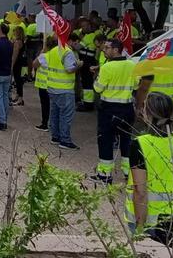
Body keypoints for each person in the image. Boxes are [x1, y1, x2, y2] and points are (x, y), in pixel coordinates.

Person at [126, 91, 173, 243]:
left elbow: (140, 192)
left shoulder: (139, 144)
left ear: (147, 113)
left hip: (149, 221)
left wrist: (140, 228)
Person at [91, 39, 140, 183]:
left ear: (116, 50)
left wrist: (96, 75)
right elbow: (136, 85)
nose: (104, 50)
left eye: (107, 48)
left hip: (109, 109)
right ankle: (128, 173)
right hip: (127, 108)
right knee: (126, 141)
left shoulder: (107, 67)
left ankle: (105, 175)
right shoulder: (133, 65)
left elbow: (98, 88)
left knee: (105, 141)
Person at [46, 32, 83, 150]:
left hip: (52, 87)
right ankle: (65, 140)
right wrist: (78, 65)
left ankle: (55, 137)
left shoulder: (53, 50)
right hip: (64, 88)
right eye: (75, 42)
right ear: (70, 41)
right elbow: (69, 69)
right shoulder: (68, 52)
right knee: (65, 115)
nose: (77, 44)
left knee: (55, 113)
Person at [32, 35, 57, 131]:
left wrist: (41, 52)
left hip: (43, 85)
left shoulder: (44, 56)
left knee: (45, 105)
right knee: (53, 106)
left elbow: (34, 64)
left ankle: (45, 123)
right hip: (53, 83)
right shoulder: (56, 55)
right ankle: (53, 125)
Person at [77, 20, 99, 112]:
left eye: (85, 26)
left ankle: (88, 104)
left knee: (87, 83)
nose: (83, 28)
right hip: (89, 61)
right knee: (87, 83)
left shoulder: (89, 36)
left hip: (87, 62)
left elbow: (78, 47)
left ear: (89, 26)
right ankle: (87, 102)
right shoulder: (90, 36)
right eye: (82, 26)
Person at [10, 25, 26, 106]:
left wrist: (12, 65)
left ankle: (20, 99)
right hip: (20, 62)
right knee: (18, 79)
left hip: (17, 63)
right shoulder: (21, 41)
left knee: (18, 80)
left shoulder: (17, 42)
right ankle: (18, 96)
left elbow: (15, 54)